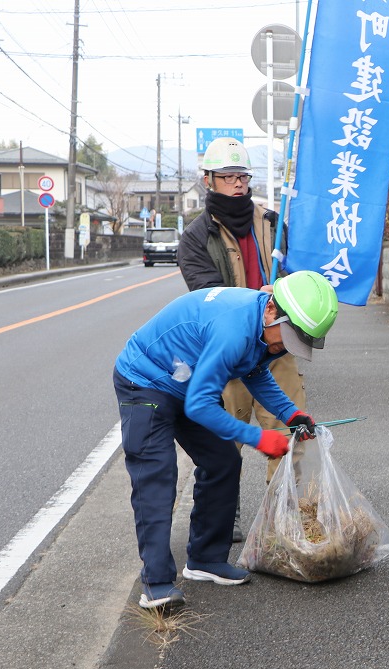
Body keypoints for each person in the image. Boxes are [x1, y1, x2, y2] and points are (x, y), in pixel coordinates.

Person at [113, 271, 339, 608]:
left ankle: (205, 559)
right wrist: (259, 438)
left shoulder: (264, 329)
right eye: (286, 339)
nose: (282, 348)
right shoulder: (233, 328)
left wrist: (292, 415)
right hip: (145, 381)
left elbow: (254, 371)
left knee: (223, 461)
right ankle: (156, 584)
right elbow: (201, 405)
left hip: (188, 382)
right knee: (157, 478)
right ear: (272, 310)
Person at [177, 137, 308, 541]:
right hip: (228, 349)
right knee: (224, 439)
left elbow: (295, 278)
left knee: (290, 433)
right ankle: (222, 517)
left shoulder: (272, 222)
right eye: (228, 176)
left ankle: (281, 518)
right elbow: (207, 295)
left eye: (242, 176)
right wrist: (256, 302)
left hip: (275, 344)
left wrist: (284, 292)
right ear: (208, 180)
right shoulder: (196, 238)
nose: (237, 183)